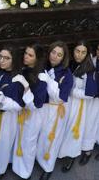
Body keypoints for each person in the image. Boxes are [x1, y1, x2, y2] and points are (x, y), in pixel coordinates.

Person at [0, 46, 26, 178]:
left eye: (6, 58)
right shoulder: (0, 72)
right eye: (0, 57)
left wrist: (3, 100)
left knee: (3, 144)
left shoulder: (18, 79)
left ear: (14, 59)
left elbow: (20, 105)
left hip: (8, 118)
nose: (2, 60)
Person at [35, 41, 73, 180]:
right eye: (53, 52)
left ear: (63, 58)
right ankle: (39, 158)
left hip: (56, 110)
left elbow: (60, 98)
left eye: (59, 55)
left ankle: (48, 167)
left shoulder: (67, 74)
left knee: (52, 138)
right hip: (44, 107)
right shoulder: (44, 66)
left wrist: (50, 81)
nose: (55, 57)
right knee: (41, 135)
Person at [58, 41, 97, 172]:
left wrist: (72, 91)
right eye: (77, 51)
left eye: (83, 52)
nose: (79, 55)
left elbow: (91, 93)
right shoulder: (68, 63)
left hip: (77, 105)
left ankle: (71, 156)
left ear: (87, 54)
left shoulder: (89, 69)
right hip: (63, 102)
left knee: (73, 131)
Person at [11, 43, 47, 179]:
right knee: (19, 138)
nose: (26, 56)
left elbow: (37, 104)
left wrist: (26, 86)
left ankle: (26, 172)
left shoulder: (42, 77)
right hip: (21, 111)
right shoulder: (24, 69)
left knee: (29, 142)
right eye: (26, 53)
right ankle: (16, 166)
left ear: (37, 59)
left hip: (33, 115)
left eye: (30, 55)